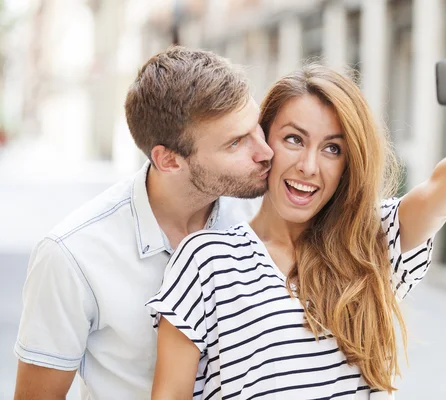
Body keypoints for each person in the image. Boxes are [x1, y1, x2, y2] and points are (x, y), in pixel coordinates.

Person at [147, 58, 446, 398]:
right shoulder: (206, 261)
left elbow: (438, 194)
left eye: (332, 149)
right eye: (294, 139)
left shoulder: (367, 246)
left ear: (347, 165)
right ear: (264, 141)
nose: (309, 166)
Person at [13, 46, 273, 399]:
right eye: (236, 143)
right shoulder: (71, 256)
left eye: (256, 126)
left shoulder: (266, 220)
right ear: (168, 160)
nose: (266, 152)